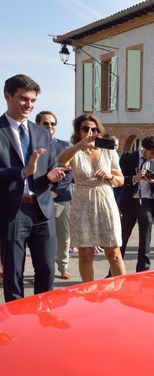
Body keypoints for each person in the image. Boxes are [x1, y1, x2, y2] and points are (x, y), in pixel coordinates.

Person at [0, 74, 68, 302]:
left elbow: (52, 167)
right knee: (14, 275)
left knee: (47, 271)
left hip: (43, 210)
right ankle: (17, 328)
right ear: (7, 96)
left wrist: (51, 175)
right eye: (23, 99)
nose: (28, 104)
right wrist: (21, 172)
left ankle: (41, 322)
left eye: (32, 100)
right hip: (13, 212)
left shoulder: (41, 133)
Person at [58, 114, 126, 282]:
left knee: (114, 252)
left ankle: (121, 294)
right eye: (85, 128)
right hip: (82, 201)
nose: (90, 131)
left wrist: (109, 176)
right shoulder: (74, 151)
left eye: (94, 129)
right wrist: (81, 145)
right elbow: (62, 161)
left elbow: (121, 180)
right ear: (78, 131)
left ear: (99, 131)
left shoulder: (108, 152)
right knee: (86, 254)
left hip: (106, 201)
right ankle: (89, 293)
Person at [117, 135, 154, 273]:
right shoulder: (127, 157)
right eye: (151, 153)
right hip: (129, 202)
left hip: (147, 203)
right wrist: (134, 178)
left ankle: (143, 272)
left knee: (145, 241)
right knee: (122, 239)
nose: (153, 157)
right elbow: (118, 180)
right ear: (144, 148)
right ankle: (114, 272)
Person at [36, 110, 73, 280]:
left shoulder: (65, 146)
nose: (50, 127)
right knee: (40, 236)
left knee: (62, 235)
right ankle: (43, 269)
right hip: (36, 199)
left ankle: (63, 266)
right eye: (46, 123)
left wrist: (54, 193)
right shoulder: (31, 146)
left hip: (60, 199)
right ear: (38, 125)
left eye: (52, 124)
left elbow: (70, 174)